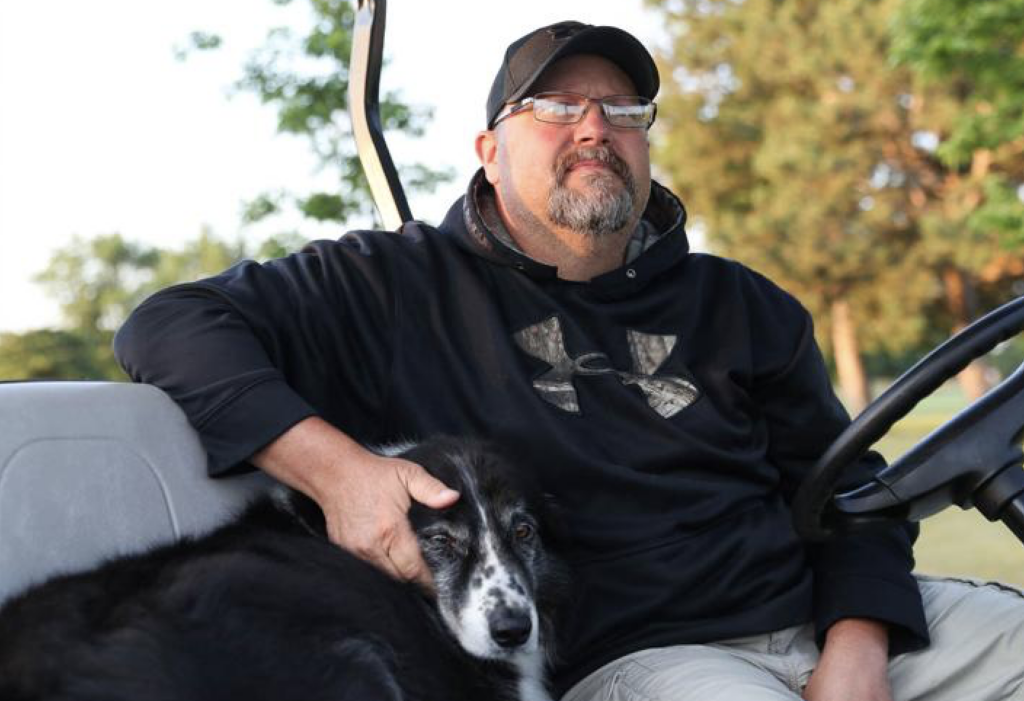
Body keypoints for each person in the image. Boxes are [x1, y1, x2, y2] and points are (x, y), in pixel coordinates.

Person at [115, 20, 1024, 701]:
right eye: (554, 108)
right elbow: (170, 323)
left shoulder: (743, 304)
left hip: (835, 633)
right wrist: (341, 473)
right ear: (488, 148)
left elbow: (852, 496)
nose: (595, 127)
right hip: (642, 659)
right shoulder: (393, 285)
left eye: (623, 110)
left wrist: (857, 646)